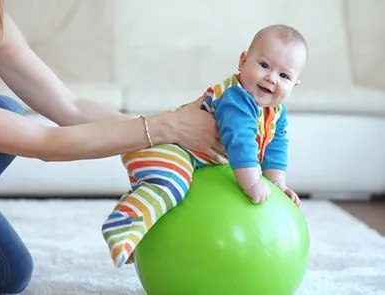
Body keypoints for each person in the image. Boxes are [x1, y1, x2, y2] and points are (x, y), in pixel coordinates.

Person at [0, 0, 225, 293]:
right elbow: (44, 143)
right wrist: (167, 126)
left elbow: (70, 107)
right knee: (4, 109)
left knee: (8, 271)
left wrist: (174, 138)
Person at [102, 24, 308, 267]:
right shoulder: (237, 98)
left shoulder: (275, 112)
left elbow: (276, 146)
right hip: (168, 146)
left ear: (294, 85)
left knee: (175, 194)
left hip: (195, 158)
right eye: (264, 65)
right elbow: (240, 142)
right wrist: (252, 182)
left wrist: (277, 183)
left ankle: (146, 234)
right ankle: (123, 224)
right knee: (171, 185)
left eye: (284, 76)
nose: (271, 78)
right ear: (243, 61)